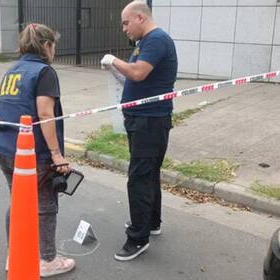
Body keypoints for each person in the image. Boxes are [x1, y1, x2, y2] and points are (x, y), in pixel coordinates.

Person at [0, 23, 75, 277]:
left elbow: (2, 108)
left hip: (5, 147)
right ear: (46, 45)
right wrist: (57, 155)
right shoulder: (44, 72)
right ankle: (47, 260)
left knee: (18, 202)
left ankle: (15, 254)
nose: (54, 50)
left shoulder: (12, 71)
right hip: (32, 153)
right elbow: (45, 113)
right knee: (45, 204)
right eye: (54, 44)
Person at [101, 0, 178, 261]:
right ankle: (151, 222)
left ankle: (137, 238)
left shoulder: (156, 40)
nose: (124, 28)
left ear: (140, 18)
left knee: (138, 178)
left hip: (149, 121)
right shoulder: (145, 43)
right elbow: (134, 78)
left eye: (125, 22)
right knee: (148, 173)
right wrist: (115, 69)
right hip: (143, 120)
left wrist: (114, 59)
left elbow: (138, 73)